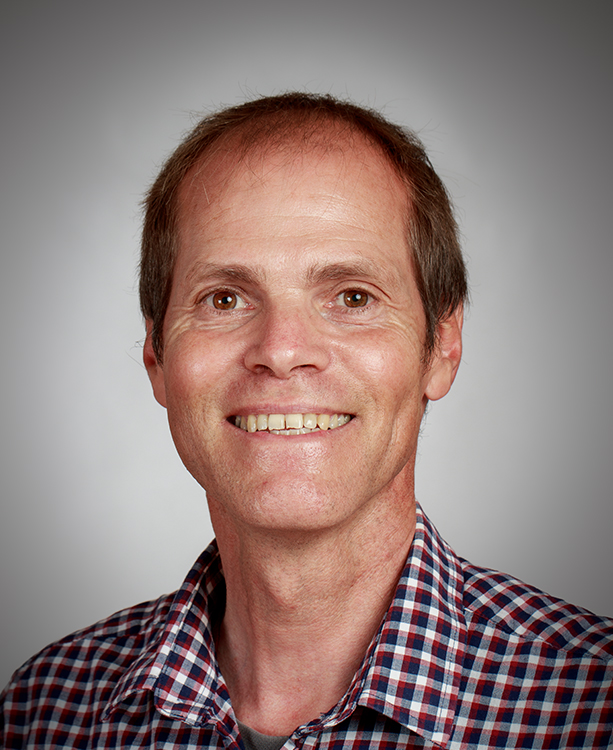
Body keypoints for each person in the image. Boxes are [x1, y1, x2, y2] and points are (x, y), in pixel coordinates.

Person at [1, 93, 611, 749]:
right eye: (224, 299)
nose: (282, 350)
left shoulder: (594, 703)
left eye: (352, 296)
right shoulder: (43, 709)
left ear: (442, 346)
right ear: (156, 354)